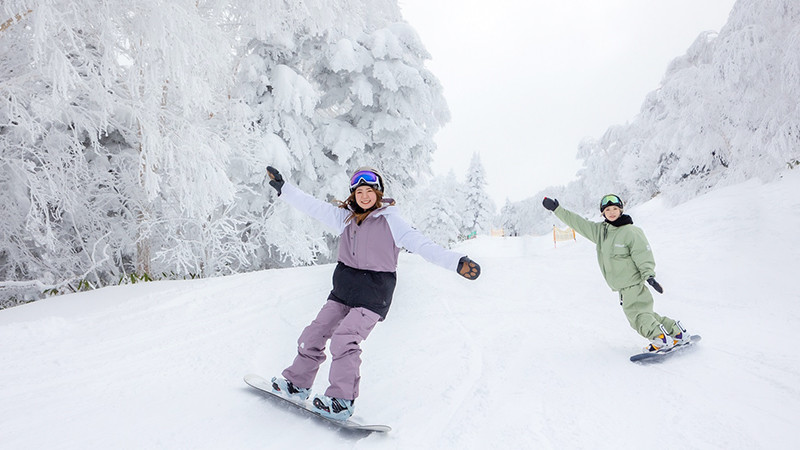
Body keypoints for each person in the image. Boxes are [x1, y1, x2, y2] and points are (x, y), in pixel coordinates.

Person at [265, 165, 481, 420]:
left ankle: (341, 401)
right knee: (314, 332)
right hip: (343, 289)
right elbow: (312, 206)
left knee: (344, 339)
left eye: (370, 191)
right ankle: (297, 383)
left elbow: (423, 245)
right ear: (353, 194)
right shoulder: (344, 217)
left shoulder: (392, 222)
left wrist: (456, 262)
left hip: (373, 294)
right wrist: (284, 189)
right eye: (359, 191)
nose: (364, 196)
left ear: (378, 193)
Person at [541, 194, 690, 352]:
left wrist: (649, 276)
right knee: (646, 313)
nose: (611, 212)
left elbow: (642, 254)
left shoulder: (631, 231)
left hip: (632, 284)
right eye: (607, 210)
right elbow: (579, 223)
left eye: (615, 209)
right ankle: (676, 332)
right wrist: (557, 210)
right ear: (603, 213)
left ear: (621, 210)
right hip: (624, 287)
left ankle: (659, 339)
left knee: (637, 317)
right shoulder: (601, 232)